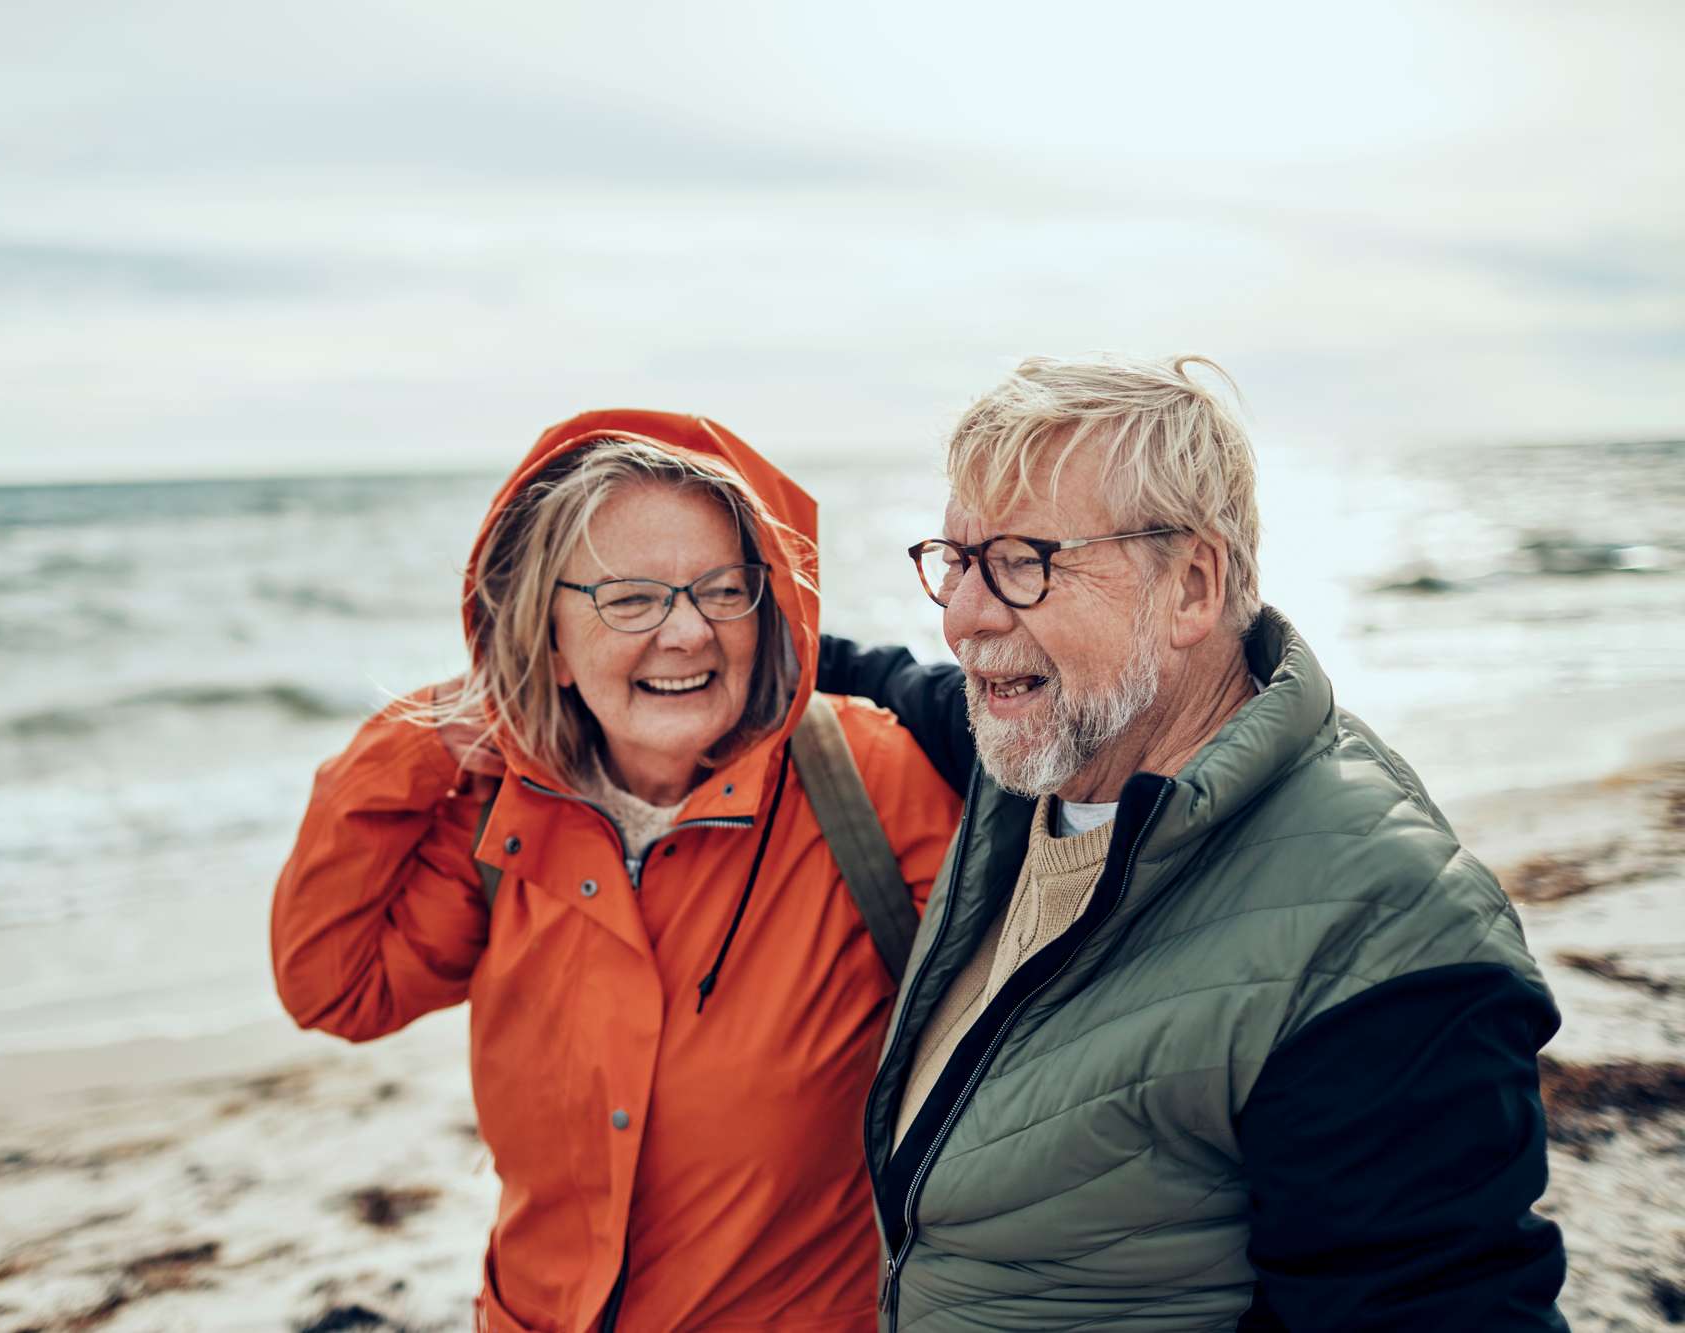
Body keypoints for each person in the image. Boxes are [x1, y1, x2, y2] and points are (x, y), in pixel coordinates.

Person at [816, 356, 1568, 1330]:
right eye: (954, 561)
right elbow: (884, 679)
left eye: (1021, 562)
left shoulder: (1377, 930)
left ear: (1192, 586)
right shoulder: (1035, 755)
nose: (963, 615)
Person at [271, 410, 959, 1331]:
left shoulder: (866, 783)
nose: (686, 634)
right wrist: (430, 732)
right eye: (630, 599)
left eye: (723, 591)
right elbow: (334, 985)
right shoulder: (500, 817)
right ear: (549, 636)